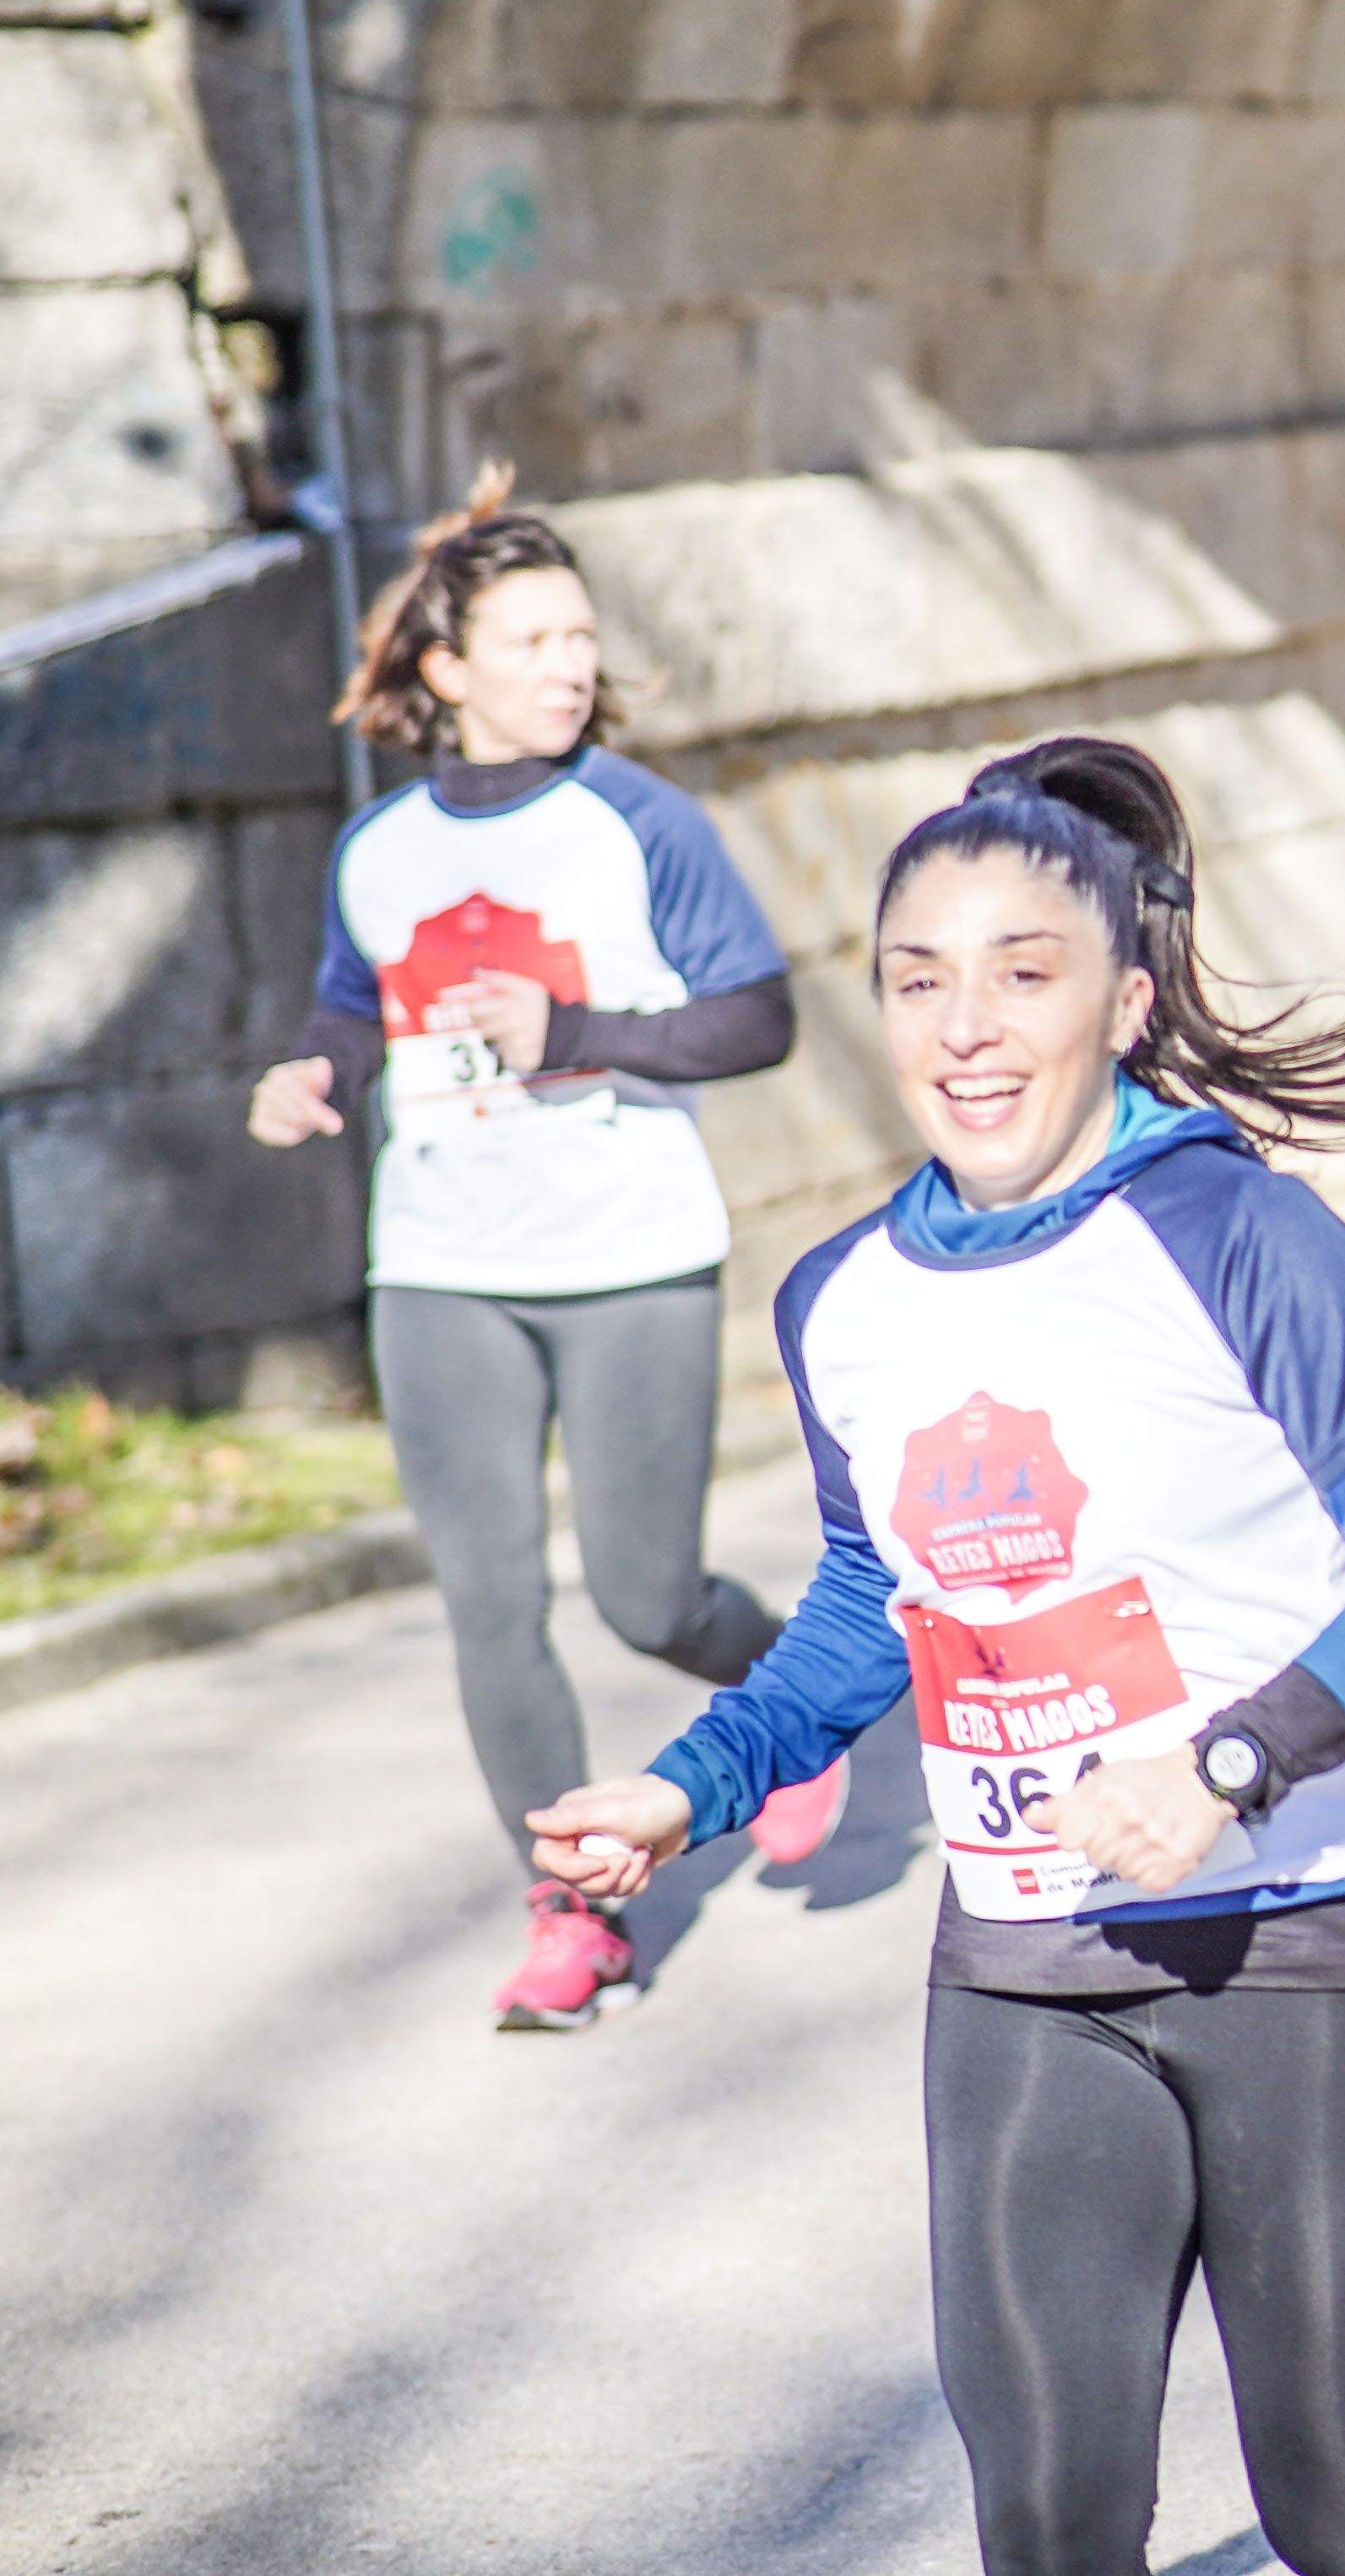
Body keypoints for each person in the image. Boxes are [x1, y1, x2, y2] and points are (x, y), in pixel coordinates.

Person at [526, 739, 1345, 2576]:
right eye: (920, 976)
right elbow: (876, 1596)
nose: (967, 1025)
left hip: (1321, 1939)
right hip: (1024, 1957)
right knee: (1052, 2521)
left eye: (1026, 969)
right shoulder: (844, 1297)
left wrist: (1232, 1761)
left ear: (1128, 995)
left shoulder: (1234, 1233)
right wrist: (693, 1785)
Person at [240, 469, 832, 2033]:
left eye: (582, 636)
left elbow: (758, 1016)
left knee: (648, 1601)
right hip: (440, 1263)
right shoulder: (376, 848)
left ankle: (791, 1706)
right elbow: (351, 1002)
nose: (571, 663)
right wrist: (316, 1074)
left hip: (632, 1250)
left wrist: (576, 1027)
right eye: (535, 638)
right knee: (490, 1601)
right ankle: (574, 1915)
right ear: (448, 671)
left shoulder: (641, 823)